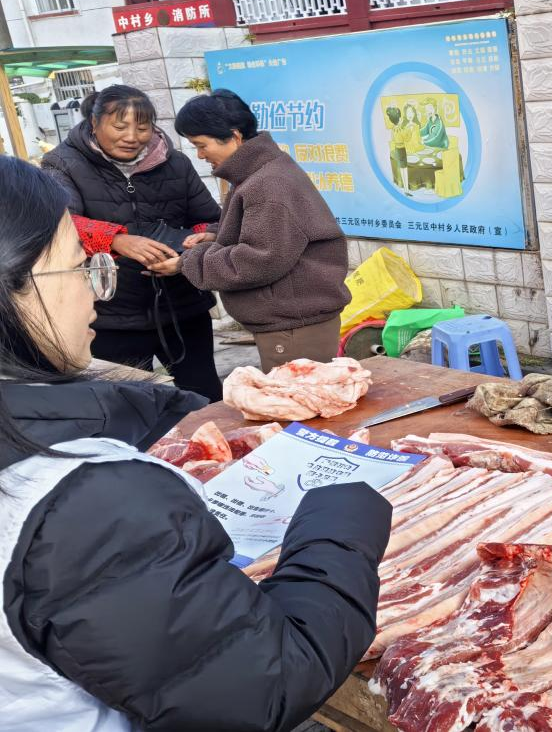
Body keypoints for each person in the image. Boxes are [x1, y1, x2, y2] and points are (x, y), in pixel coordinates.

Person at [0, 155, 390, 731]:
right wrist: (343, 510)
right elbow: (262, 688)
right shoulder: (79, 503)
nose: (96, 295)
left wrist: (152, 405)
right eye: (81, 268)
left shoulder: (264, 182)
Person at [39, 85, 224, 401]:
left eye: (142, 128)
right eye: (120, 126)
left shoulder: (176, 163)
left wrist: (190, 248)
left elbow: (212, 221)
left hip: (182, 307)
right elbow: (59, 224)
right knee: (126, 405)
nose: (132, 137)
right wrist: (116, 239)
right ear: (94, 123)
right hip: (110, 314)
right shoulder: (62, 163)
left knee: (203, 397)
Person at [160, 90, 351, 371]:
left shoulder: (266, 183)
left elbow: (260, 259)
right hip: (294, 321)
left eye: (201, 145)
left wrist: (187, 262)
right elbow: (271, 232)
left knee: (297, 398)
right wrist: (216, 234)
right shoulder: (262, 172)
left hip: (293, 326)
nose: (200, 155)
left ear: (234, 136)